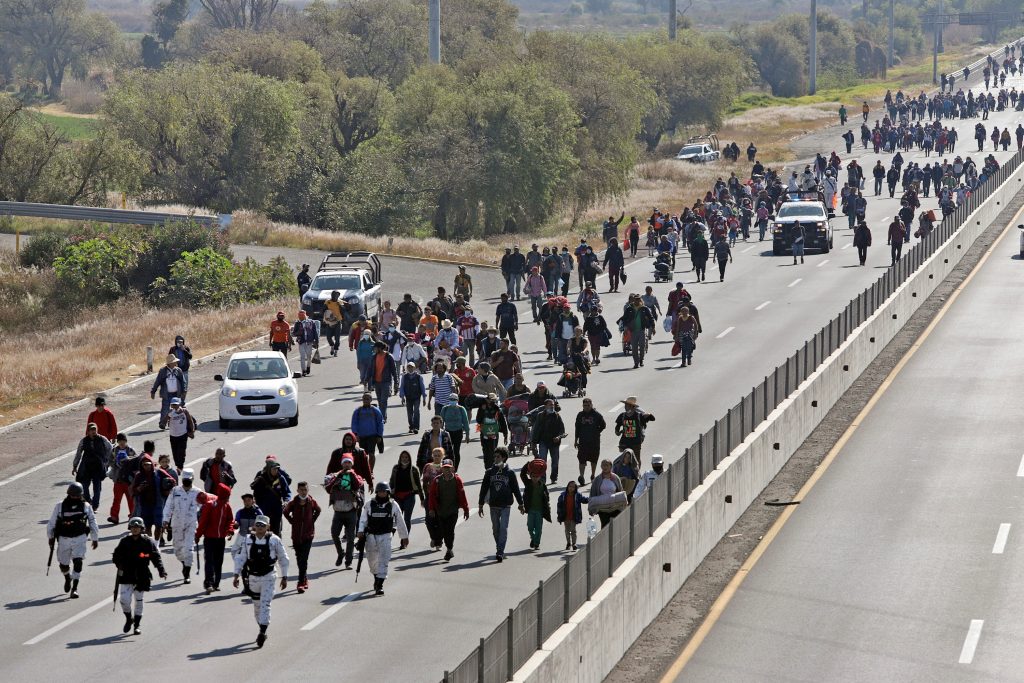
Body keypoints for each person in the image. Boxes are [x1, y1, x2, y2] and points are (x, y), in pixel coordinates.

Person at [232, 515, 289, 648]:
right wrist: (236, 574)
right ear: (254, 526)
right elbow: (241, 557)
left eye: (263, 525)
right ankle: (262, 627)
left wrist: (284, 576)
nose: (260, 527)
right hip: (253, 578)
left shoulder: (274, 540)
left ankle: (262, 632)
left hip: (269, 576)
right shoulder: (247, 540)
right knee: (257, 607)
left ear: (268, 527)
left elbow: (283, 558)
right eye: (258, 525)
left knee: (265, 604)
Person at [113, 517, 166, 635]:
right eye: (133, 527)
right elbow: (116, 556)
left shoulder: (148, 542)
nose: (135, 529)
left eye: (137, 527)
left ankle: (137, 625)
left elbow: (155, 557)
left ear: (142, 528)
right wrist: (120, 565)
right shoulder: (124, 541)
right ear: (130, 528)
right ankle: (128, 618)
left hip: (142, 575)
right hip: (127, 574)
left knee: (139, 600)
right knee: (124, 600)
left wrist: (161, 570)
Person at [47, 482, 99, 599]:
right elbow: (52, 522)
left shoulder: (86, 506)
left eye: (77, 495)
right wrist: (50, 537)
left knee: (78, 562)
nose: (75, 497)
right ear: (69, 494)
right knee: (63, 565)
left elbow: (92, 521)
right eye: (73, 495)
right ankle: (67, 578)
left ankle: (75, 588)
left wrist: (95, 538)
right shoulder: (60, 506)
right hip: (64, 539)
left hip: (79, 538)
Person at [357, 482, 409, 596]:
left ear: (388, 492)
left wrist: (404, 536)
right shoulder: (369, 504)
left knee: (384, 559)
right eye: (380, 491)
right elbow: (363, 519)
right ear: (376, 492)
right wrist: (360, 531)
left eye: (384, 491)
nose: (382, 493)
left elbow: (400, 520)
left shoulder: (393, 505)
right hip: (371, 536)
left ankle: (380, 585)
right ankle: (376, 577)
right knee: (372, 560)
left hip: (386, 536)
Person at [477, 446, 524, 562]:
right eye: (495, 456)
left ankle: (500, 551)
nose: (496, 459)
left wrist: (520, 503)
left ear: (504, 458)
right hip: (493, 505)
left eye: (498, 457)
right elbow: (484, 488)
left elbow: (516, 489)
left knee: (503, 528)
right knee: (496, 529)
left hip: (506, 505)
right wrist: (480, 504)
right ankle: (499, 546)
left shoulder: (510, 473)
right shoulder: (489, 472)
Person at [162, 468, 204, 584]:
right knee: (178, 551)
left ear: (192, 479)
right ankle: (184, 563)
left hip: (191, 524)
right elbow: (169, 506)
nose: (187, 482)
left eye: (189, 480)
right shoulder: (175, 491)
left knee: (188, 549)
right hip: (177, 524)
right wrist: (165, 520)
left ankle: (187, 573)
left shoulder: (198, 492)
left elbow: (204, 508)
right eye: (185, 480)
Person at [325, 457, 365, 569]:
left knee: (351, 538)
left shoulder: (355, 475)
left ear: (351, 464)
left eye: (349, 463)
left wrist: (351, 475)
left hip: (351, 511)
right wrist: (338, 476)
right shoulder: (336, 475)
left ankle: (348, 561)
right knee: (334, 534)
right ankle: (340, 553)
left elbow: (358, 485)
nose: (347, 465)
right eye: (345, 463)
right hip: (338, 511)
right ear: (342, 464)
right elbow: (328, 488)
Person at [195, 482, 234, 593]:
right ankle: (208, 583)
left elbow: (230, 520)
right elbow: (203, 522)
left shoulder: (227, 506)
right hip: (209, 538)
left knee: (219, 561)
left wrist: (230, 530)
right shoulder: (210, 505)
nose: (228, 498)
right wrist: (198, 535)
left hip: (220, 539)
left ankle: (216, 583)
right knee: (209, 561)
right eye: (227, 496)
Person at [427, 460, 469, 561]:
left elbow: (462, 495)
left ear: (452, 469)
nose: (446, 470)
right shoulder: (437, 480)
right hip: (441, 511)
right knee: (444, 531)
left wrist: (466, 509)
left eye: (448, 468)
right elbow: (431, 496)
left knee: (450, 531)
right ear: (442, 469)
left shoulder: (457, 480)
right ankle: (449, 549)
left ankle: (449, 549)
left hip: (453, 511)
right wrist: (431, 509)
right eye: (445, 468)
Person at [283, 481, 321, 593]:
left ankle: (300, 582)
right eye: (301, 490)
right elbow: (285, 512)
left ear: (308, 490)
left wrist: (311, 521)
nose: (303, 492)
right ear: (297, 490)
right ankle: (304, 578)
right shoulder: (294, 502)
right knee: (299, 559)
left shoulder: (311, 501)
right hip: (296, 536)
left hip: (308, 535)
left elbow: (318, 510)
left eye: (305, 490)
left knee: (304, 559)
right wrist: (292, 521)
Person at [71, 422, 112, 510]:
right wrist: (75, 466)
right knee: (84, 487)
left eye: (94, 429)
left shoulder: (102, 439)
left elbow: (110, 448)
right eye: (91, 430)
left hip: (98, 467)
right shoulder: (83, 441)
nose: (93, 431)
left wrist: (106, 461)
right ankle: (88, 501)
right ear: (88, 431)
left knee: (97, 488)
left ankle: (95, 505)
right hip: (86, 467)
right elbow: (78, 454)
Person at [130, 455, 171, 537]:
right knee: (147, 526)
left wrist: (166, 486)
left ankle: (156, 544)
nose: (146, 466)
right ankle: (150, 543)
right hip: (145, 504)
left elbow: (172, 480)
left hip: (158, 503)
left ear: (151, 464)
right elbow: (133, 490)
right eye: (144, 464)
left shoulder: (158, 472)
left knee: (158, 525)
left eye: (148, 464)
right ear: (141, 465)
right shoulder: (139, 475)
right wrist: (139, 488)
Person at [250, 456, 292, 535]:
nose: (276, 470)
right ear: (269, 468)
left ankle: (276, 545)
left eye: (277, 469)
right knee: (263, 530)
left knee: (276, 531)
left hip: (276, 508)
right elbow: (254, 491)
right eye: (274, 469)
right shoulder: (261, 477)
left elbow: (287, 492)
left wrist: (286, 501)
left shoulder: (280, 478)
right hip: (263, 508)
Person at [389, 450, 424, 537]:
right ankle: (402, 535)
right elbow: (391, 482)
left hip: (409, 496)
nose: (404, 459)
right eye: (403, 457)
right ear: (400, 458)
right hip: (397, 497)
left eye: (406, 457)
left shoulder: (414, 470)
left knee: (406, 519)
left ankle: (404, 539)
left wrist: (422, 499)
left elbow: (419, 485)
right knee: (398, 519)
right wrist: (389, 493)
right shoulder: (396, 468)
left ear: (409, 458)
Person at [363, 341, 399, 422]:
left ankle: (381, 418)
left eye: (375, 348)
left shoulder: (389, 357)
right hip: (376, 382)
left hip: (386, 382)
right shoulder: (374, 357)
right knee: (379, 401)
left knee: (383, 400)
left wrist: (396, 382)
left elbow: (394, 370)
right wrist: (366, 379)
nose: (374, 349)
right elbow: (370, 369)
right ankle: (383, 416)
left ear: (380, 348)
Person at [531, 398, 565, 484]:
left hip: (554, 443)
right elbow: (536, 429)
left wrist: (559, 437)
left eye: (553, 405)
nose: (552, 406)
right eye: (550, 405)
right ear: (545, 406)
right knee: (542, 462)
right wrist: (533, 443)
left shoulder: (557, 416)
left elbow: (562, 430)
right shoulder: (540, 416)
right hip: (543, 442)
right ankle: (542, 479)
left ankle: (554, 477)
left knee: (555, 462)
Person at [107, 434, 138, 524]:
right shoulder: (114, 450)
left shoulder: (131, 450)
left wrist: (128, 460)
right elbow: (109, 461)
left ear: (126, 441)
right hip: (118, 480)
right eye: (119, 441)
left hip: (128, 481)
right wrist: (115, 463)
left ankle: (132, 516)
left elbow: (137, 460)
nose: (121, 443)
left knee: (130, 499)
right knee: (117, 499)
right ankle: (114, 517)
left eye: (123, 441)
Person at [574, 398, 606, 484]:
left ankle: (592, 475)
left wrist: (596, 432)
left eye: (588, 405)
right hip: (583, 441)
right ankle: (581, 476)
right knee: (581, 459)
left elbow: (603, 425)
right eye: (585, 405)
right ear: (582, 406)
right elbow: (577, 428)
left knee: (594, 459)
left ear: (591, 405)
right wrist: (576, 440)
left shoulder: (597, 415)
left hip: (594, 442)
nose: (586, 407)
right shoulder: (580, 415)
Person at [520, 464, 550, 550]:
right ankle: (533, 538)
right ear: (530, 476)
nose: (535, 478)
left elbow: (547, 497)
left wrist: (546, 505)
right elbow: (522, 474)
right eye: (533, 476)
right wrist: (528, 464)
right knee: (530, 527)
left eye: (537, 476)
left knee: (538, 528)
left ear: (540, 477)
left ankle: (536, 543)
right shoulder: (528, 483)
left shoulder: (543, 486)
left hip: (539, 511)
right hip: (530, 510)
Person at [150, 354, 185, 429]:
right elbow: (157, 381)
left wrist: (184, 391)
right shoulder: (163, 371)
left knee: (178, 409)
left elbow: (183, 381)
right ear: (169, 363)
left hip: (176, 394)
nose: (176, 363)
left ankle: (178, 422)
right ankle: (162, 423)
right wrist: (153, 391)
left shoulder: (178, 370)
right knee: (165, 409)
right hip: (167, 394)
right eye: (174, 362)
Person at [615, 397, 655, 463]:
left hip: (636, 442)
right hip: (625, 442)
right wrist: (618, 432)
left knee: (636, 460)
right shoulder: (622, 416)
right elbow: (617, 426)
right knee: (625, 460)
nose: (625, 407)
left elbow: (653, 418)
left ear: (631, 406)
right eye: (625, 405)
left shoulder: (639, 416)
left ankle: (637, 472)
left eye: (626, 405)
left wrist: (649, 414)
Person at [351, 392, 385, 468]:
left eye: (367, 399)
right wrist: (355, 435)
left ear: (371, 400)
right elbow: (354, 423)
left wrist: (379, 435)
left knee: (371, 454)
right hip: (362, 437)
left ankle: (371, 470)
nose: (366, 400)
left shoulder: (376, 410)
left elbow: (380, 423)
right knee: (363, 455)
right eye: (364, 399)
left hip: (372, 436)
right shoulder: (358, 411)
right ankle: (366, 469)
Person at [476, 393, 509, 470]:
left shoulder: (497, 409)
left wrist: (505, 435)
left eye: (493, 400)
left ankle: (492, 468)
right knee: (486, 452)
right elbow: (478, 420)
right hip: (484, 434)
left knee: (493, 452)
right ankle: (487, 469)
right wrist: (482, 410)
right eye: (490, 399)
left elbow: (503, 422)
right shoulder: (482, 408)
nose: (491, 401)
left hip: (494, 434)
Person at [589, 460, 625, 528]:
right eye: (603, 465)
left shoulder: (616, 478)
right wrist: (591, 508)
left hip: (615, 507)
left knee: (614, 526)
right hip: (602, 508)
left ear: (611, 466)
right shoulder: (597, 479)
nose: (604, 467)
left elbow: (620, 491)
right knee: (605, 526)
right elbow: (592, 493)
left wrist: (623, 504)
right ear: (601, 466)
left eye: (606, 465)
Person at [439, 397, 470, 471]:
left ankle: (455, 469)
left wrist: (467, 435)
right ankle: (446, 468)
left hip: (458, 432)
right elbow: (441, 421)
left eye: (454, 400)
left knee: (456, 451)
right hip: (447, 433)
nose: (452, 401)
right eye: (451, 399)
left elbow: (465, 422)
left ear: (457, 400)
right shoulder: (445, 408)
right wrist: (439, 433)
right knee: (446, 452)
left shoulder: (461, 409)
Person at [557, 480, 588, 551]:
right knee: (567, 530)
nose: (571, 488)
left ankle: (574, 544)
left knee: (573, 530)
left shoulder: (577, 495)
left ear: (575, 488)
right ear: (567, 487)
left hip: (574, 516)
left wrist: (590, 499)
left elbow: (584, 500)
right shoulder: (563, 496)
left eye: (573, 487)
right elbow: (559, 506)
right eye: (570, 486)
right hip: (565, 516)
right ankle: (568, 543)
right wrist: (559, 515)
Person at [166, 397, 196, 471]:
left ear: (179, 404)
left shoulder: (185, 411)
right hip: (173, 435)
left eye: (176, 405)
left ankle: (180, 466)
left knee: (181, 452)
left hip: (183, 435)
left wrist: (192, 431)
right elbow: (164, 421)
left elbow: (190, 420)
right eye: (173, 405)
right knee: (175, 452)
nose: (174, 406)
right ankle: (178, 464)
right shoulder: (170, 412)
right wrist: (166, 419)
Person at [399, 362, 427, 434]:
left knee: (416, 411)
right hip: (408, 397)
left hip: (417, 397)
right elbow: (402, 387)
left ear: (414, 368)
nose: (410, 368)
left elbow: (422, 387)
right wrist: (402, 397)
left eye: (411, 367)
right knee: (409, 413)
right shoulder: (404, 377)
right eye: (409, 367)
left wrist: (424, 397)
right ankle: (411, 427)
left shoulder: (419, 377)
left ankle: (416, 427)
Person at [292, 311, 319, 377]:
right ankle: (303, 370)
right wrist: (299, 332)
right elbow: (294, 333)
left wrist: (317, 341)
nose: (301, 317)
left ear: (305, 315)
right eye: (299, 316)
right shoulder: (297, 323)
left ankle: (308, 367)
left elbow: (315, 332)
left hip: (309, 342)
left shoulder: (311, 322)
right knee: (302, 356)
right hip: (301, 342)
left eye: (302, 315)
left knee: (309, 356)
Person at [323, 291, 345, 356]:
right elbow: (323, 310)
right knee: (328, 337)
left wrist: (341, 306)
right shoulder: (328, 302)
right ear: (332, 295)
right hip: (329, 321)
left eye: (337, 296)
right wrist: (325, 318)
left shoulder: (339, 302)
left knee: (337, 339)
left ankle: (336, 350)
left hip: (337, 321)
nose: (335, 297)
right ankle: (332, 346)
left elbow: (343, 311)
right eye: (334, 295)